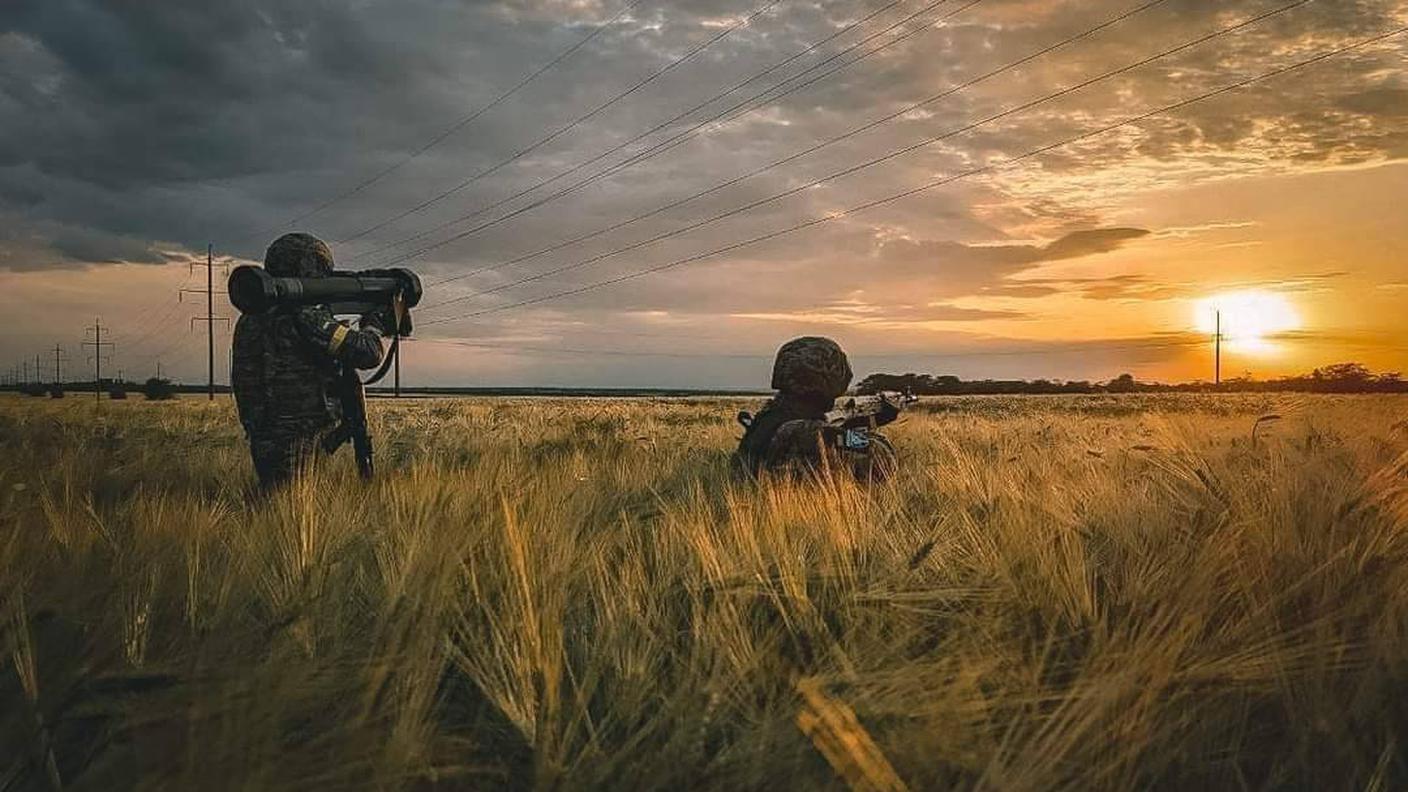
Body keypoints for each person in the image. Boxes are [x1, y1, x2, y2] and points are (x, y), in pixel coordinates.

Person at [230, 233, 391, 490]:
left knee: (277, 496)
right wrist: (373, 326)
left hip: (263, 432)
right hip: (301, 436)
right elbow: (368, 354)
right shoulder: (304, 315)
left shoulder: (250, 317)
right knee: (293, 505)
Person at [734, 336, 897, 481]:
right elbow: (882, 462)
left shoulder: (768, 418)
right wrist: (857, 431)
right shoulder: (809, 430)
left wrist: (854, 424)